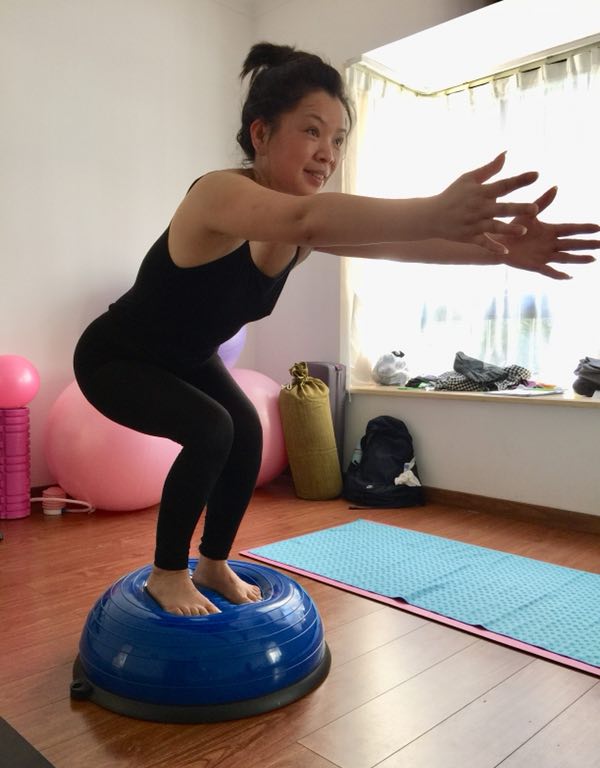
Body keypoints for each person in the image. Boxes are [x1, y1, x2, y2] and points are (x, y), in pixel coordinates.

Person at [73, 42, 599, 616]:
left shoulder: (300, 231)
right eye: (312, 131)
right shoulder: (218, 195)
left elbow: (405, 245)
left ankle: (214, 562)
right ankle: (168, 572)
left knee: (245, 430)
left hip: (188, 357)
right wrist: (433, 206)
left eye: (339, 139)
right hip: (118, 356)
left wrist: (500, 251)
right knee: (212, 429)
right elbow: (309, 218)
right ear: (261, 134)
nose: (328, 153)